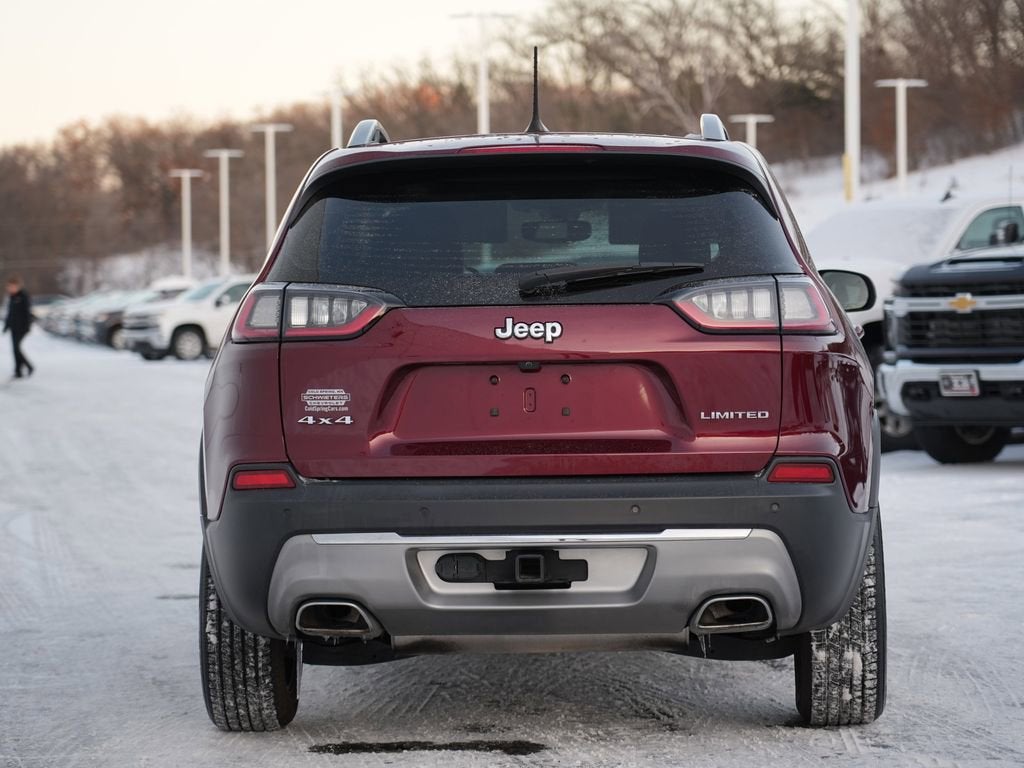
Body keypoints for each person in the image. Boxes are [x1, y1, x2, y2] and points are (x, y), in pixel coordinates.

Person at [3, 276, 34, 378]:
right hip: (13, 327)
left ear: (17, 286)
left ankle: (29, 366)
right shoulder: (11, 297)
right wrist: (6, 326)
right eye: (9, 287)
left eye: (12, 286)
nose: (10, 288)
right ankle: (18, 371)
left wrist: (28, 326)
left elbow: (27, 312)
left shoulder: (23, 296)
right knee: (15, 349)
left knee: (16, 348)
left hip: (22, 327)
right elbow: (10, 313)